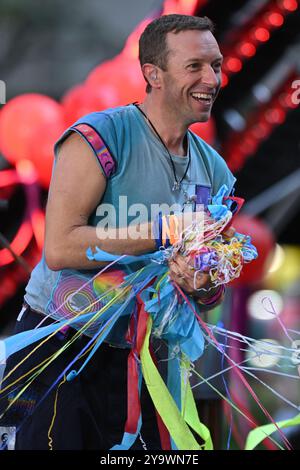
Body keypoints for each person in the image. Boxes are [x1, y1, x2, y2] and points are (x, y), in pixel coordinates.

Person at [0, 14, 236, 450]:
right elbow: (59, 247)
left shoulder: (215, 169)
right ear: (153, 74)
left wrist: (201, 284)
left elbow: (211, 290)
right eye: (195, 66)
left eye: (216, 65)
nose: (212, 78)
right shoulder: (98, 137)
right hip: (60, 346)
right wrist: (164, 231)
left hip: (150, 360)